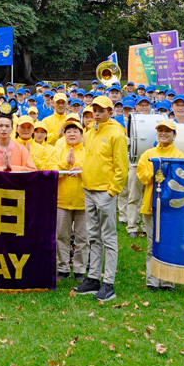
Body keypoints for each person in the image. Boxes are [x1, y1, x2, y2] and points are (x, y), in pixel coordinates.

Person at [77, 96, 128, 303]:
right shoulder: (90, 132)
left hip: (104, 193)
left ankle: (109, 282)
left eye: (101, 110)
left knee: (109, 237)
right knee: (93, 236)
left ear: (110, 111)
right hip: (89, 190)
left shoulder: (117, 133)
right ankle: (93, 278)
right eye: (94, 110)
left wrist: (112, 191)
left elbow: (121, 167)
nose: (97, 113)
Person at [137, 119, 184, 291]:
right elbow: (142, 177)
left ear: (174, 134)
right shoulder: (148, 154)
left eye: (168, 131)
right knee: (152, 244)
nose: (163, 134)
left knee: (169, 243)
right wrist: (156, 169)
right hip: (150, 205)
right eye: (161, 131)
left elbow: (181, 179)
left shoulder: (179, 156)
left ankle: (167, 281)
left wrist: (165, 174)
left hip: (171, 207)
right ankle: (152, 280)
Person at [41, 117, 85, 280]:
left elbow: (95, 170)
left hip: (84, 203)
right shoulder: (56, 150)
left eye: (75, 131)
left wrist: (82, 168)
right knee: (61, 236)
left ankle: (80, 269)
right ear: (64, 134)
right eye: (68, 131)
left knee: (82, 237)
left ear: (82, 134)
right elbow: (50, 171)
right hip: (61, 201)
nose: (72, 134)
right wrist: (66, 165)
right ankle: (63, 268)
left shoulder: (88, 151)